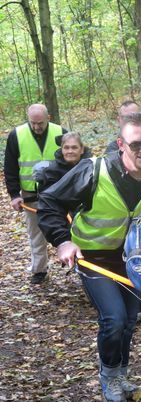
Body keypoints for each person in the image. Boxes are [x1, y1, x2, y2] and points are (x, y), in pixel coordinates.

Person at [38, 112, 141, 402]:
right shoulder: (93, 170)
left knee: (130, 321)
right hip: (93, 257)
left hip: (135, 259)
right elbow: (49, 201)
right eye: (136, 145)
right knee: (114, 319)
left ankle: (121, 373)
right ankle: (108, 376)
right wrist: (63, 241)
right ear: (121, 144)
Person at [3, 104, 65, 284]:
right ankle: (39, 270)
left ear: (49, 117)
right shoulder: (17, 135)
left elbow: (73, 160)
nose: (36, 127)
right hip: (31, 195)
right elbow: (10, 167)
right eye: (33, 123)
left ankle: (79, 267)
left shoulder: (61, 132)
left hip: (59, 194)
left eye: (40, 123)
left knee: (68, 230)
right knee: (35, 233)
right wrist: (14, 194)